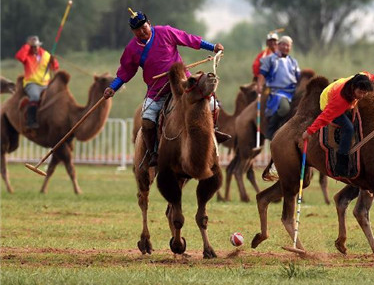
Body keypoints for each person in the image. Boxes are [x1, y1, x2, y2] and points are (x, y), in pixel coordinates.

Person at [103, 9, 226, 167]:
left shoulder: (165, 32)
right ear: (133, 31)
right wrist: (112, 87)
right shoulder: (131, 49)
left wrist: (212, 47)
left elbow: (188, 39)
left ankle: (213, 132)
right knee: (147, 118)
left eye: (144, 27)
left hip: (183, 83)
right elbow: (125, 72)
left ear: (149, 24)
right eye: (137, 30)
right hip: (156, 90)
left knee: (212, 104)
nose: (142, 32)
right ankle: (152, 153)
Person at [302, 72, 374, 178]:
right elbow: (324, 117)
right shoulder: (340, 101)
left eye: (364, 93)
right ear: (353, 87)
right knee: (348, 128)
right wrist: (309, 131)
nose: (362, 96)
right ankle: (341, 165)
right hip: (327, 102)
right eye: (360, 92)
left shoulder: (362, 78)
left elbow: (367, 74)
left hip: (338, 90)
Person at [256, 35, 301, 140]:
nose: (286, 47)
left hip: (293, 90)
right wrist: (259, 85)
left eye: (288, 46)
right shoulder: (270, 59)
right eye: (284, 45)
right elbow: (262, 74)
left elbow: (298, 76)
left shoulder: (293, 61)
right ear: (279, 45)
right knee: (285, 108)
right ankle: (271, 129)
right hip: (278, 92)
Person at [15, 35, 59, 128]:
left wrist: (53, 61)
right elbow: (19, 57)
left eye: (36, 46)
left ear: (39, 45)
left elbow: (55, 67)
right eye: (32, 46)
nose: (34, 48)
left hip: (46, 84)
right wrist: (27, 46)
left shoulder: (46, 55)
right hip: (31, 83)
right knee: (35, 97)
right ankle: (31, 121)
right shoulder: (26, 55)